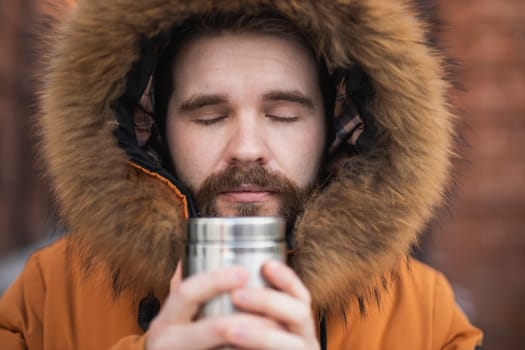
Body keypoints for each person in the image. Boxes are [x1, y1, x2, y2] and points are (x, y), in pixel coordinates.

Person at [0, 1, 484, 349]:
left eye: (284, 115)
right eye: (209, 116)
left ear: (335, 129)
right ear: (152, 130)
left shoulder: (427, 315)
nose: (247, 149)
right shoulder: (44, 299)